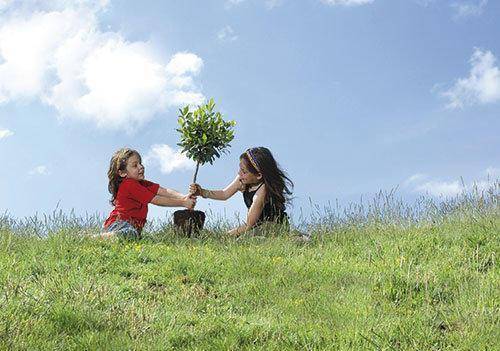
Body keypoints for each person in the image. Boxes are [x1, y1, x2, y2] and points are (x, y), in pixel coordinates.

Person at [190, 147, 295, 237]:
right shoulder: (243, 178)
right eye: (240, 168)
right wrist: (202, 192)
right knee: (241, 238)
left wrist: (224, 236)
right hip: (258, 226)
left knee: (244, 240)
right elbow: (224, 194)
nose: (239, 173)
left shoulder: (262, 191)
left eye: (244, 171)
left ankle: (295, 237)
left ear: (258, 175)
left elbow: (249, 224)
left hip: (273, 226)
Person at [100, 148, 196, 239]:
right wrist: (183, 203)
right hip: (119, 224)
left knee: (132, 235)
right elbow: (156, 200)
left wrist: (184, 197)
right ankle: (99, 238)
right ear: (122, 173)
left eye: (140, 163)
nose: (141, 167)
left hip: (130, 226)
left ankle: (109, 236)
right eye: (135, 165)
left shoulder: (142, 183)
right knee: (130, 233)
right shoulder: (129, 184)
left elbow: (164, 191)